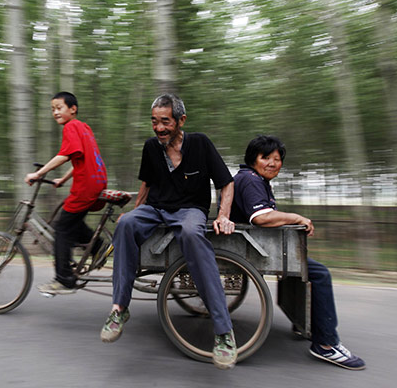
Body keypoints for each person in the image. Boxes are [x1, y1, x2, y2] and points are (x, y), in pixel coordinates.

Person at [100, 94, 238, 370]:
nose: (159, 128)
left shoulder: (200, 143)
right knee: (125, 224)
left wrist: (223, 215)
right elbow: (147, 185)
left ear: (180, 120)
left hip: (190, 211)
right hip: (156, 209)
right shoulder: (151, 147)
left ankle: (223, 332)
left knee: (190, 233)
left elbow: (226, 183)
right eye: (154, 121)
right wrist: (135, 212)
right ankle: (119, 309)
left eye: (165, 121)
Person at [230, 135, 366, 370]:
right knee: (320, 274)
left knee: (305, 267)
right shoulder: (250, 180)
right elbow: (260, 217)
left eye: (277, 159)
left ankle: (307, 325)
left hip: (257, 245)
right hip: (251, 249)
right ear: (254, 159)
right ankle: (325, 344)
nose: (273, 163)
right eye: (266, 158)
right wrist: (298, 218)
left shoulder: (254, 179)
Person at [25, 92, 108, 295]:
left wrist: (38, 173)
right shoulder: (84, 127)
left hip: (86, 186)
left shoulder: (71, 127)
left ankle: (63, 279)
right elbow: (80, 158)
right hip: (97, 181)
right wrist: (63, 180)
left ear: (73, 109)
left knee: (61, 228)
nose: (55, 112)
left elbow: (64, 156)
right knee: (72, 221)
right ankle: (98, 247)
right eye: (52, 109)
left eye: (59, 107)